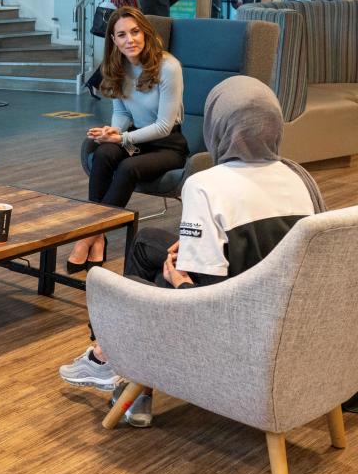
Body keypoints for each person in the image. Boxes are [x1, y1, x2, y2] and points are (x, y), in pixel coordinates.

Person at [59, 75, 323, 427]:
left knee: (155, 272)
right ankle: (119, 369)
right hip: (286, 314)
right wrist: (197, 243)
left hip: (234, 327)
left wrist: (178, 281)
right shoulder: (299, 175)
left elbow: (205, 296)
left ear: (217, 126)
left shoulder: (205, 184)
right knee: (149, 242)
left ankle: (113, 361)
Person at [66, 7, 187, 273]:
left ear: (145, 32)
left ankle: (88, 236)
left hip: (168, 145)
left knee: (128, 167)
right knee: (103, 154)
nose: (129, 40)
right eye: (121, 35)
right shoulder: (117, 66)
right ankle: (98, 239)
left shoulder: (169, 67)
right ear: (113, 40)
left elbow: (165, 126)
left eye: (135, 32)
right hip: (137, 140)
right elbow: (121, 111)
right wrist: (111, 132)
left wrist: (122, 137)